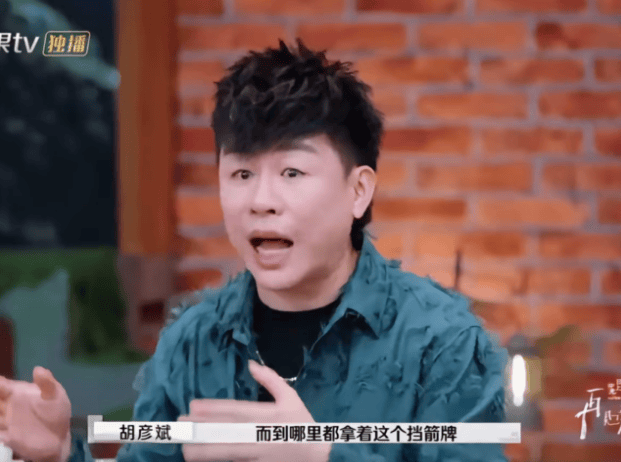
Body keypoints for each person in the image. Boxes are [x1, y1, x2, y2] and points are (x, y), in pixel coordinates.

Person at [0, 39, 509, 462]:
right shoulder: (192, 340)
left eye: (292, 172)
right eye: (242, 173)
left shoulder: (444, 342)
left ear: (358, 191)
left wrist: (320, 455)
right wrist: (61, 453)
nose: (261, 201)